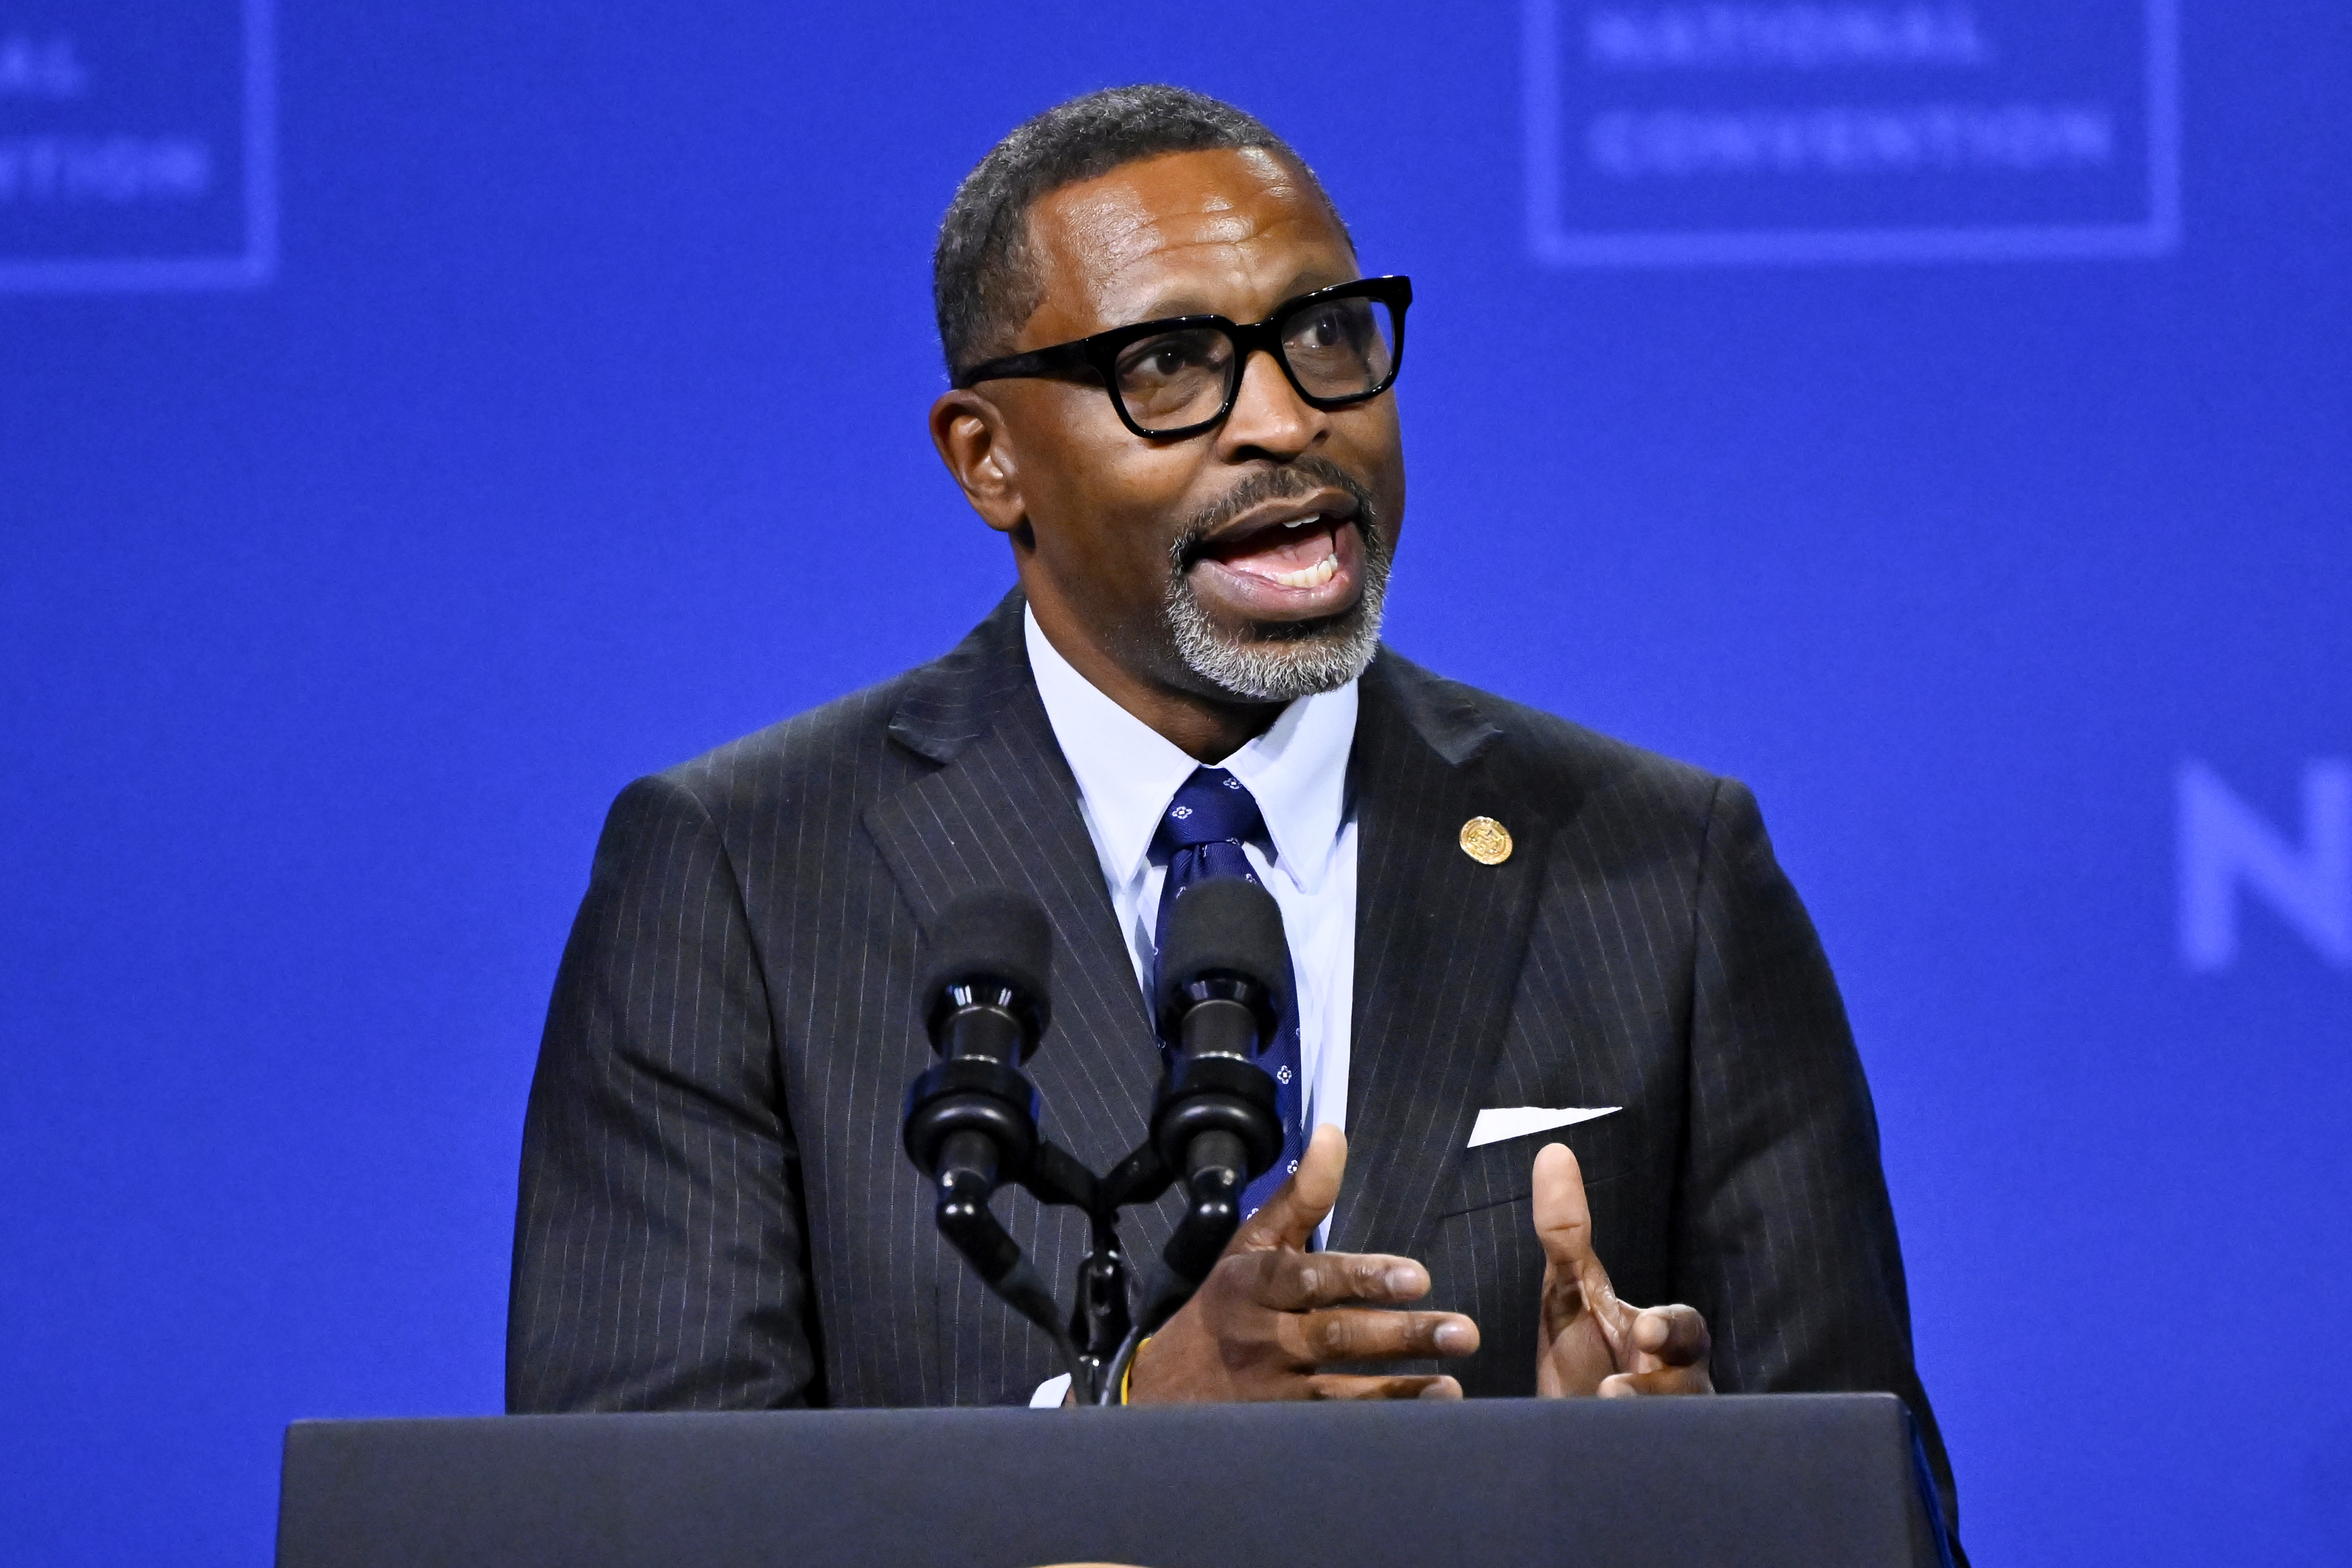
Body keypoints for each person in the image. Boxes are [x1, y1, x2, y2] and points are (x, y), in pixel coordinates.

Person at [506, 83, 1960, 1545]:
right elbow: (632, 1532)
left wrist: (1691, 1503)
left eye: (1328, 333)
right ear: (985, 458)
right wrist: (1123, 1443)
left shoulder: (1663, 866)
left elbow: (1883, 1515)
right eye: (1169, 364)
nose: (1285, 417)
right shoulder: (741, 879)